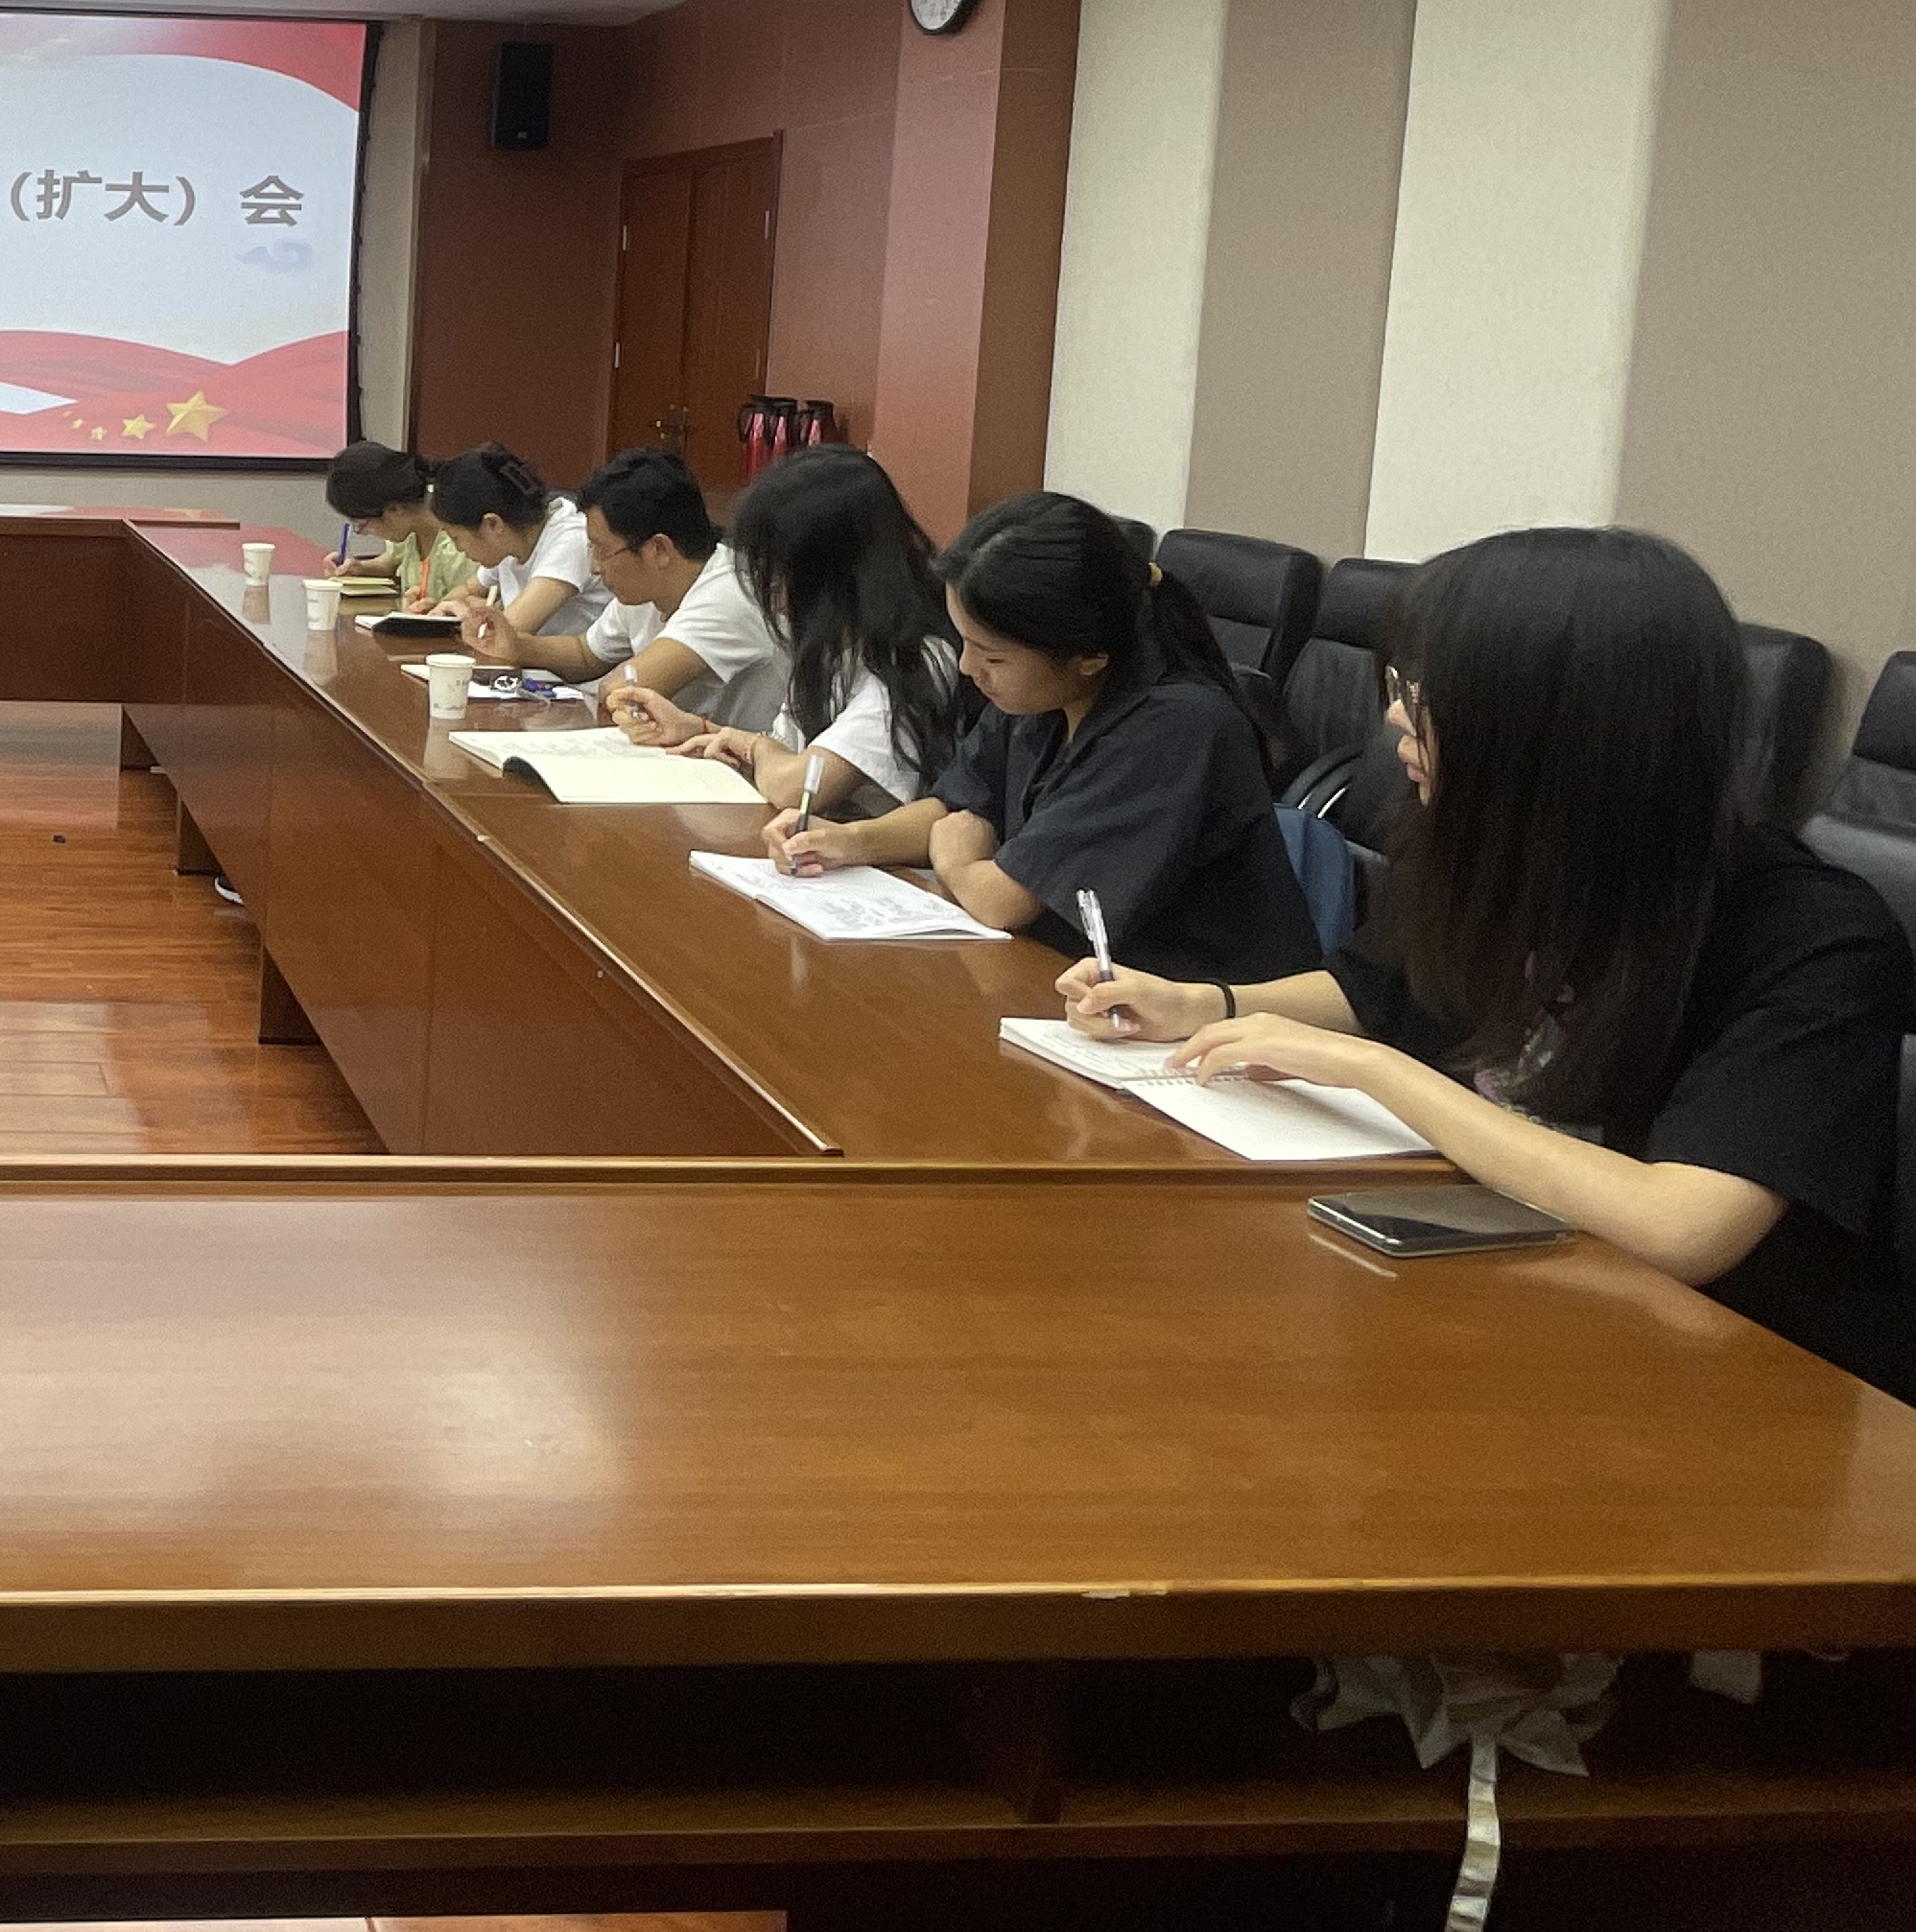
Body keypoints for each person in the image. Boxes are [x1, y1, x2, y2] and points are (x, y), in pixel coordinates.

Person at [1066, 528, 1916, 1399]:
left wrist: (1376, 1072)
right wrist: (1207, 1003)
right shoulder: (1497, 848)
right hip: (1507, 1294)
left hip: (1715, 1379)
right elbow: (1378, 989)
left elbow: (1682, 1229)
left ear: (1555, 724)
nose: (1394, 716)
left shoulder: (1815, 937)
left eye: (1425, 691)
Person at [774, 490, 1319, 984]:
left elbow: (1002, 899)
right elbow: (958, 808)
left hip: (1196, 1014)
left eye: (991, 656)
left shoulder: (1177, 727)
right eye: (965, 642)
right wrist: (849, 841)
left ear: (1088, 657)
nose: (966, 668)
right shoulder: (1040, 691)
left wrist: (959, 865)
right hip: (1064, 980)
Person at [632, 446, 971, 819]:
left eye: (779, 570)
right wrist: (698, 728)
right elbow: (787, 752)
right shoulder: (831, 643)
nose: (769, 590)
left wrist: (757, 750)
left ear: (833, 570)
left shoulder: (920, 657)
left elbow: (798, 788)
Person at [457, 449, 786, 733]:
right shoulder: (647, 587)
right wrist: (516, 645)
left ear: (658, 550)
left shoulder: (729, 593)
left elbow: (623, 689)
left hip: (741, 774)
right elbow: (586, 654)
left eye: (602, 551)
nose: (595, 568)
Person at [425, 442, 609, 653]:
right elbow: (467, 589)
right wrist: (438, 609)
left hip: (574, 672)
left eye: (455, 537)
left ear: (492, 524)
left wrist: (467, 612)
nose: (458, 548)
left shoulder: (570, 539)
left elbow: (504, 636)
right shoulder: (508, 542)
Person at [320, 441, 471, 609]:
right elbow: (392, 560)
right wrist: (361, 568)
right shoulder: (409, 529)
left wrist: (439, 609)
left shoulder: (462, 541)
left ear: (394, 508)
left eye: (362, 524)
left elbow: (474, 599)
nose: (366, 532)